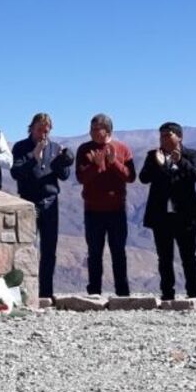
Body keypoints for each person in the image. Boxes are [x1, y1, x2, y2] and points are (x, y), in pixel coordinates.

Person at [139, 122, 196, 301]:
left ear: (179, 137)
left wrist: (180, 162)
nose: (163, 139)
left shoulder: (191, 154)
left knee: (188, 256)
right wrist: (159, 165)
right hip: (161, 215)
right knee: (164, 256)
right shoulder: (153, 155)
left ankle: (193, 293)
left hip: (186, 215)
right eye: (161, 135)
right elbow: (143, 178)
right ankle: (167, 294)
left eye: (168, 135)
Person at [10, 113, 73, 299]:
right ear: (31, 128)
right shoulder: (21, 147)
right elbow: (16, 173)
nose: (42, 135)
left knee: (49, 250)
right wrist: (34, 157)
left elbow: (64, 176)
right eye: (39, 130)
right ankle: (24, 292)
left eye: (46, 131)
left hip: (50, 202)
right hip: (29, 202)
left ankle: (46, 293)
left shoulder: (55, 148)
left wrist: (63, 160)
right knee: (26, 248)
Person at [75, 113, 136, 296]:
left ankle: (122, 292)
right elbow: (81, 177)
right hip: (93, 210)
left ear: (107, 131)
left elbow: (130, 176)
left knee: (118, 252)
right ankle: (94, 291)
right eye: (91, 128)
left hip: (117, 210)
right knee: (94, 253)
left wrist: (113, 162)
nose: (91, 132)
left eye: (96, 129)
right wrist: (96, 165)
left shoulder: (122, 149)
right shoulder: (85, 149)